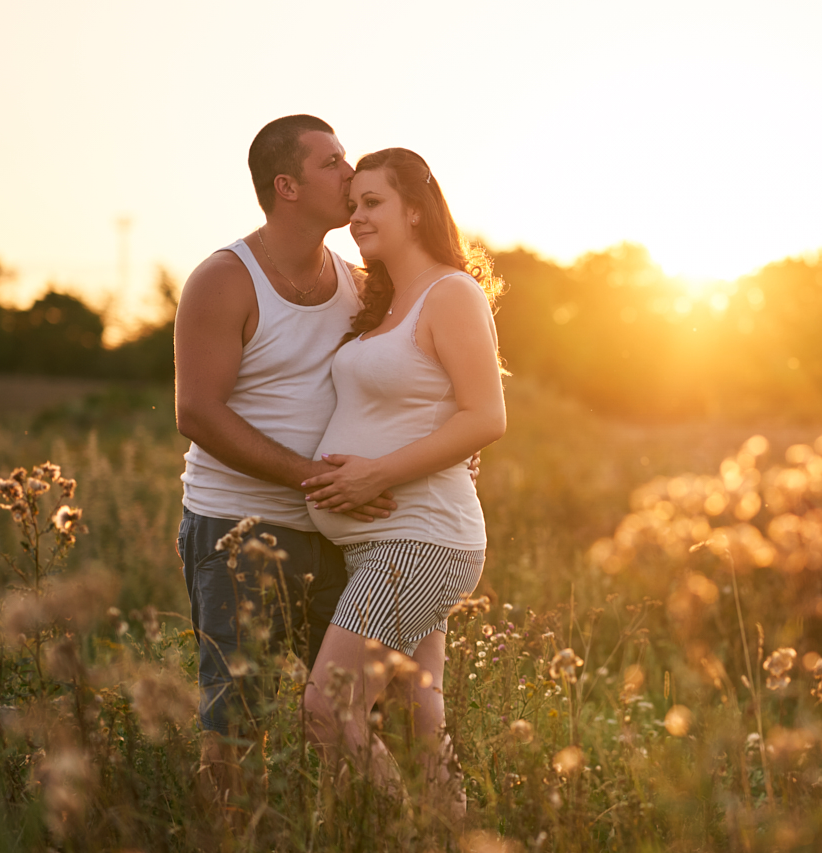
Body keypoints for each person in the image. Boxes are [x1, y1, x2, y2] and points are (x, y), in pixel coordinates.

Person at [173, 114, 400, 816]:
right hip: (235, 532)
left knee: (351, 708)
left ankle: (348, 832)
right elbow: (199, 413)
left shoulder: (360, 283)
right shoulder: (223, 279)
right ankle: (228, 836)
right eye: (332, 161)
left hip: (335, 530)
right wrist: (317, 478)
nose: (351, 171)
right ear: (287, 186)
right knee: (233, 719)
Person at [297, 148, 506, 823]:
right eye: (352, 205)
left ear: (416, 208)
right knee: (420, 729)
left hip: (419, 541)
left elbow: (486, 415)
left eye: (373, 202)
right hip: (379, 544)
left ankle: (392, 839)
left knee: (329, 709)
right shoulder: (382, 303)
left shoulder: (452, 292)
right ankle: (453, 836)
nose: (356, 216)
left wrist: (375, 474)